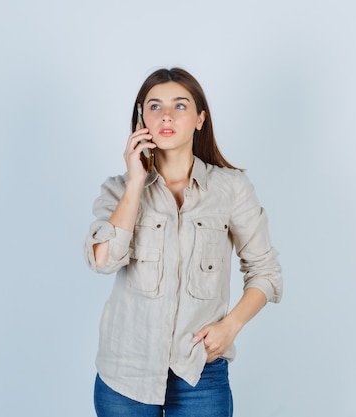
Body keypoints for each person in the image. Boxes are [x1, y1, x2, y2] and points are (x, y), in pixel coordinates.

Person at [84, 67, 282, 417]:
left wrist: (230, 327)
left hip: (199, 374)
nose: (166, 116)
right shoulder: (117, 189)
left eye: (180, 105)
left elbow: (266, 271)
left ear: (200, 119)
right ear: (140, 119)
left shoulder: (231, 189)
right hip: (124, 374)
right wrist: (135, 182)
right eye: (155, 106)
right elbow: (103, 261)